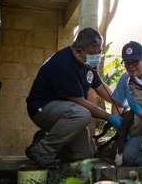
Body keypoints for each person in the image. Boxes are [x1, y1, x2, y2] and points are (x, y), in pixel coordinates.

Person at [25, 27, 122, 168]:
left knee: (85, 155)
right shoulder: (64, 64)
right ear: (78, 51)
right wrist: (110, 118)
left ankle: (41, 141)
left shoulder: (86, 61)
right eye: (93, 53)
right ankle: (43, 151)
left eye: (99, 52)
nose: (96, 56)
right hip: (43, 108)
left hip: (68, 112)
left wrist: (118, 100)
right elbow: (80, 102)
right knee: (83, 114)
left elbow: (100, 86)